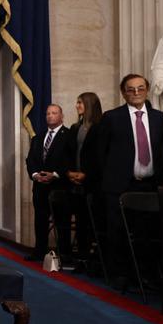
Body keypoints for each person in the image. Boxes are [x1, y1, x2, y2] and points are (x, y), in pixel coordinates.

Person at [95, 74, 163, 285]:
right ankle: (120, 274)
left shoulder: (160, 118)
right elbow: (100, 153)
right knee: (118, 232)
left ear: (147, 90)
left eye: (140, 88)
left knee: (148, 232)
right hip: (119, 185)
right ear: (123, 92)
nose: (136, 92)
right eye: (130, 89)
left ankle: (146, 274)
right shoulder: (111, 118)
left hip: (150, 185)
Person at [25, 104, 73, 262]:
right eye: (48, 113)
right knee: (40, 220)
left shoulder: (69, 135)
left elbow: (70, 159)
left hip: (59, 187)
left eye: (54, 113)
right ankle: (39, 252)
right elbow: (30, 159)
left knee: (62, 222)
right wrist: (35, 175)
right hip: (40, 187)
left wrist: (55, 174)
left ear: (61, 116)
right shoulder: (38, 137)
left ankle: (64, 254)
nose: (50, 116)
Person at [66, 92, 103, 259]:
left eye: (80, 102)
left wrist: (86, 174)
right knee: (80, 222)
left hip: (93, 184)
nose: (77, 106)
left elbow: (100, 157)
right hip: (75, 184)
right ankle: (82, 258)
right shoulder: (75, 127)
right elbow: (69, 153)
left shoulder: (100, 127)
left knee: (92, 224)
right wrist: (69, 172)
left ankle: (94, 259)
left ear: (89, 104)